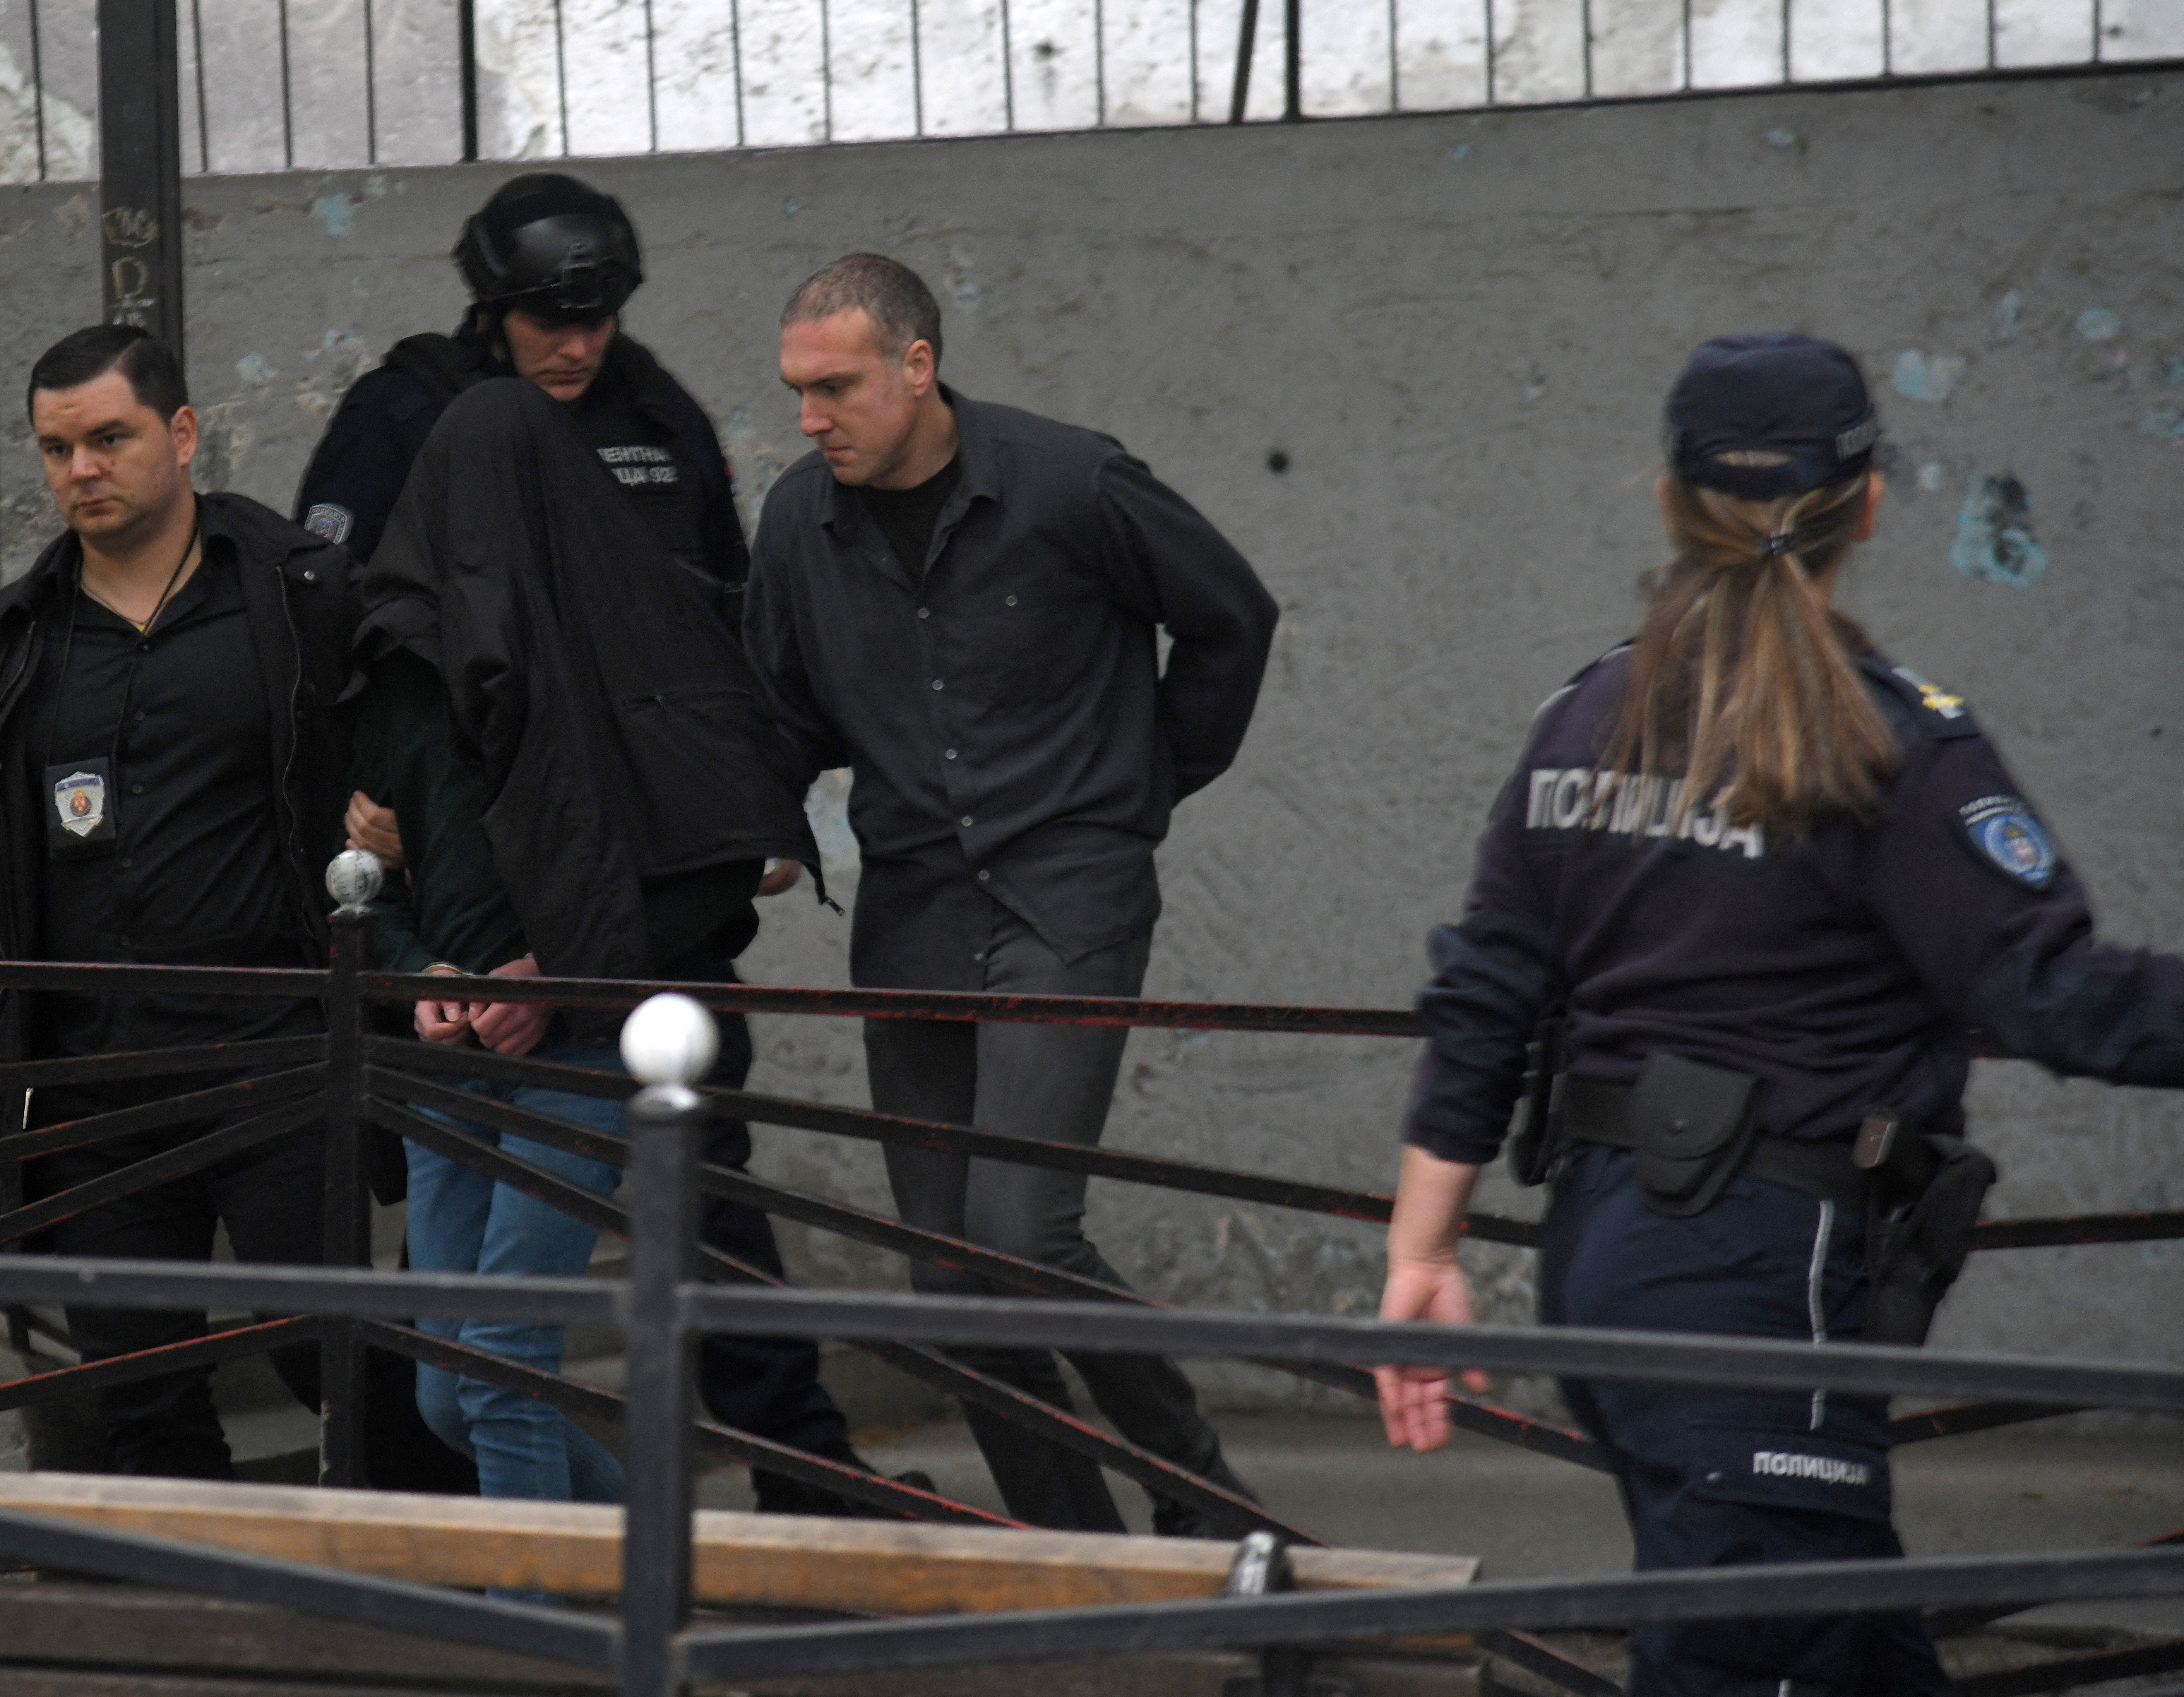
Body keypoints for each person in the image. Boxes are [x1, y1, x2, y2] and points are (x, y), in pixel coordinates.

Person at [1374, 332, 2184, 1695]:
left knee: (1834, 1641)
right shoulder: (1892, 743)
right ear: (1866, 504)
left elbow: (1486, 988)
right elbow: (2054, 993)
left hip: (1602, 1261)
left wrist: (1423, 1248)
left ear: (1669, 500)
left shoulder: (1582, 721)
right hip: (1764, 1277)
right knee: (1756, 1658)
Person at [332, 176, 899, 1513]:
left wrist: (740, 802)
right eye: (545, 317)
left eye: (598, 317)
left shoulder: (655, 419)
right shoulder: (411, 423)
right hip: (467, 939)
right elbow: (344, 640)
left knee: (692, 1195)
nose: (575, 343)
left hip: (626, 929)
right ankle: (604, 1544)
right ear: (493, 304)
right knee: (458, 1355)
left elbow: (726, 631)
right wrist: (366, 824)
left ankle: (778, 1486)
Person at [0, 325, 464, 1489]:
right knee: (138, 1394)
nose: (83, 468)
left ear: (181, 436)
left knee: (334, 1364)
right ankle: (181, 1639)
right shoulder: (9, 642)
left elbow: (424, 741)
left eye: (109, 438)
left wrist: (402, 829)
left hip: (279, 1057)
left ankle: (483, 1590)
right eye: (57, 448)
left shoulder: (300, 593)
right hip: (93, 1079)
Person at [745, 253, 1281, 1534]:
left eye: (836, 387)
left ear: (917, 367)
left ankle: (1202, 1494)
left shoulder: (1069, 480)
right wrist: (757, 825)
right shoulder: (795, 522)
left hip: (1066, 893)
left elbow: (1232, 619)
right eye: (795, 392)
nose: (810, 418)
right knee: (944, 1273)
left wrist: (1140, 785)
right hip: (917, 909)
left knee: (1020, 1233)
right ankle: (1074, 1541)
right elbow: (773, 711)